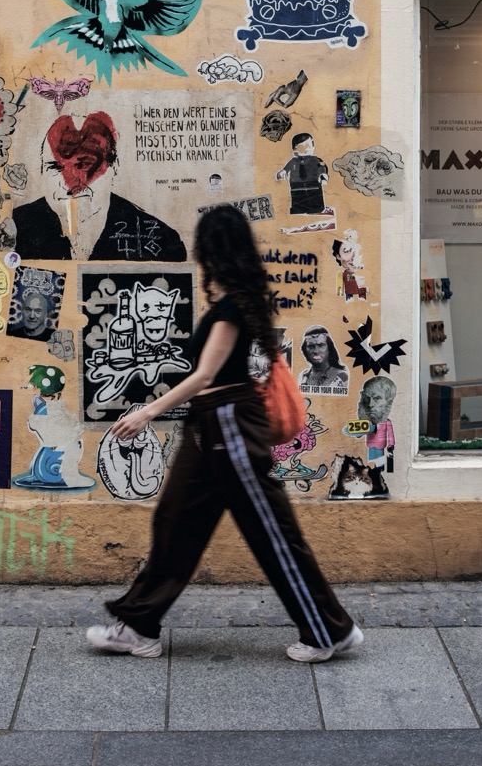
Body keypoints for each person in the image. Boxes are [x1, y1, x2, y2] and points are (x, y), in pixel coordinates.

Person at [86, 204, 362, 663]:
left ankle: (329, 630)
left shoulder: (234, 305)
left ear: (214, 249)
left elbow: (204, 375)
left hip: (231, 423)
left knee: (271, 531)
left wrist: (147, 412)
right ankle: (138, 626)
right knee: (175, 523)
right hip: (209, 427)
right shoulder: (231, 300)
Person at [13, 111, 186, 262]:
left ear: (114, 167)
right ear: (41, 170)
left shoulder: (161, 240)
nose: (70, 185)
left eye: (86, 165)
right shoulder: (14, 228)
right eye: (55, 167)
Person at [276, 132, 332, 215]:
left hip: (314, 186)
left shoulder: (316, 160)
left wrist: (322, 175)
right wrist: (282, 173)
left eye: (307, 147)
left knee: (315, 203)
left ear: (313, 146)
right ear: (294, 149)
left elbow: (322, 167)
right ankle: (298, 212)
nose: (305, 150)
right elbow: (286, 169)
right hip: (296, 187)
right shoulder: (293, 161)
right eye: (300, 148)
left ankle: (317, 210)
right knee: (298, 204)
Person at [299, 325, 349, 393]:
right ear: (305, 350)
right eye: (311, 346)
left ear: (329, 349)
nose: (316, 351)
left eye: (321, 345)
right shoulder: (303, 376)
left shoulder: (342, 376)